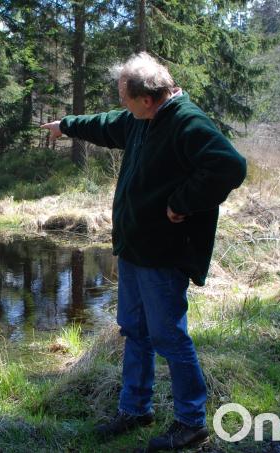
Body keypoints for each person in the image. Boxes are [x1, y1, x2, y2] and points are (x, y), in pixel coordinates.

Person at [41, 52, 246, 452]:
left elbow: (229, 166)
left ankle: (191, 423)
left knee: (168, 335)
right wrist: (66, 126)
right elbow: (104, 124)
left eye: (125, 98)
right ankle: (135, 409)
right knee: (135, 331)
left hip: (164, 254)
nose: (122, 106)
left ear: (148, 99)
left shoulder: (187, 122)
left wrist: (184, 202)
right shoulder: (140, 120)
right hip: (135, 250)